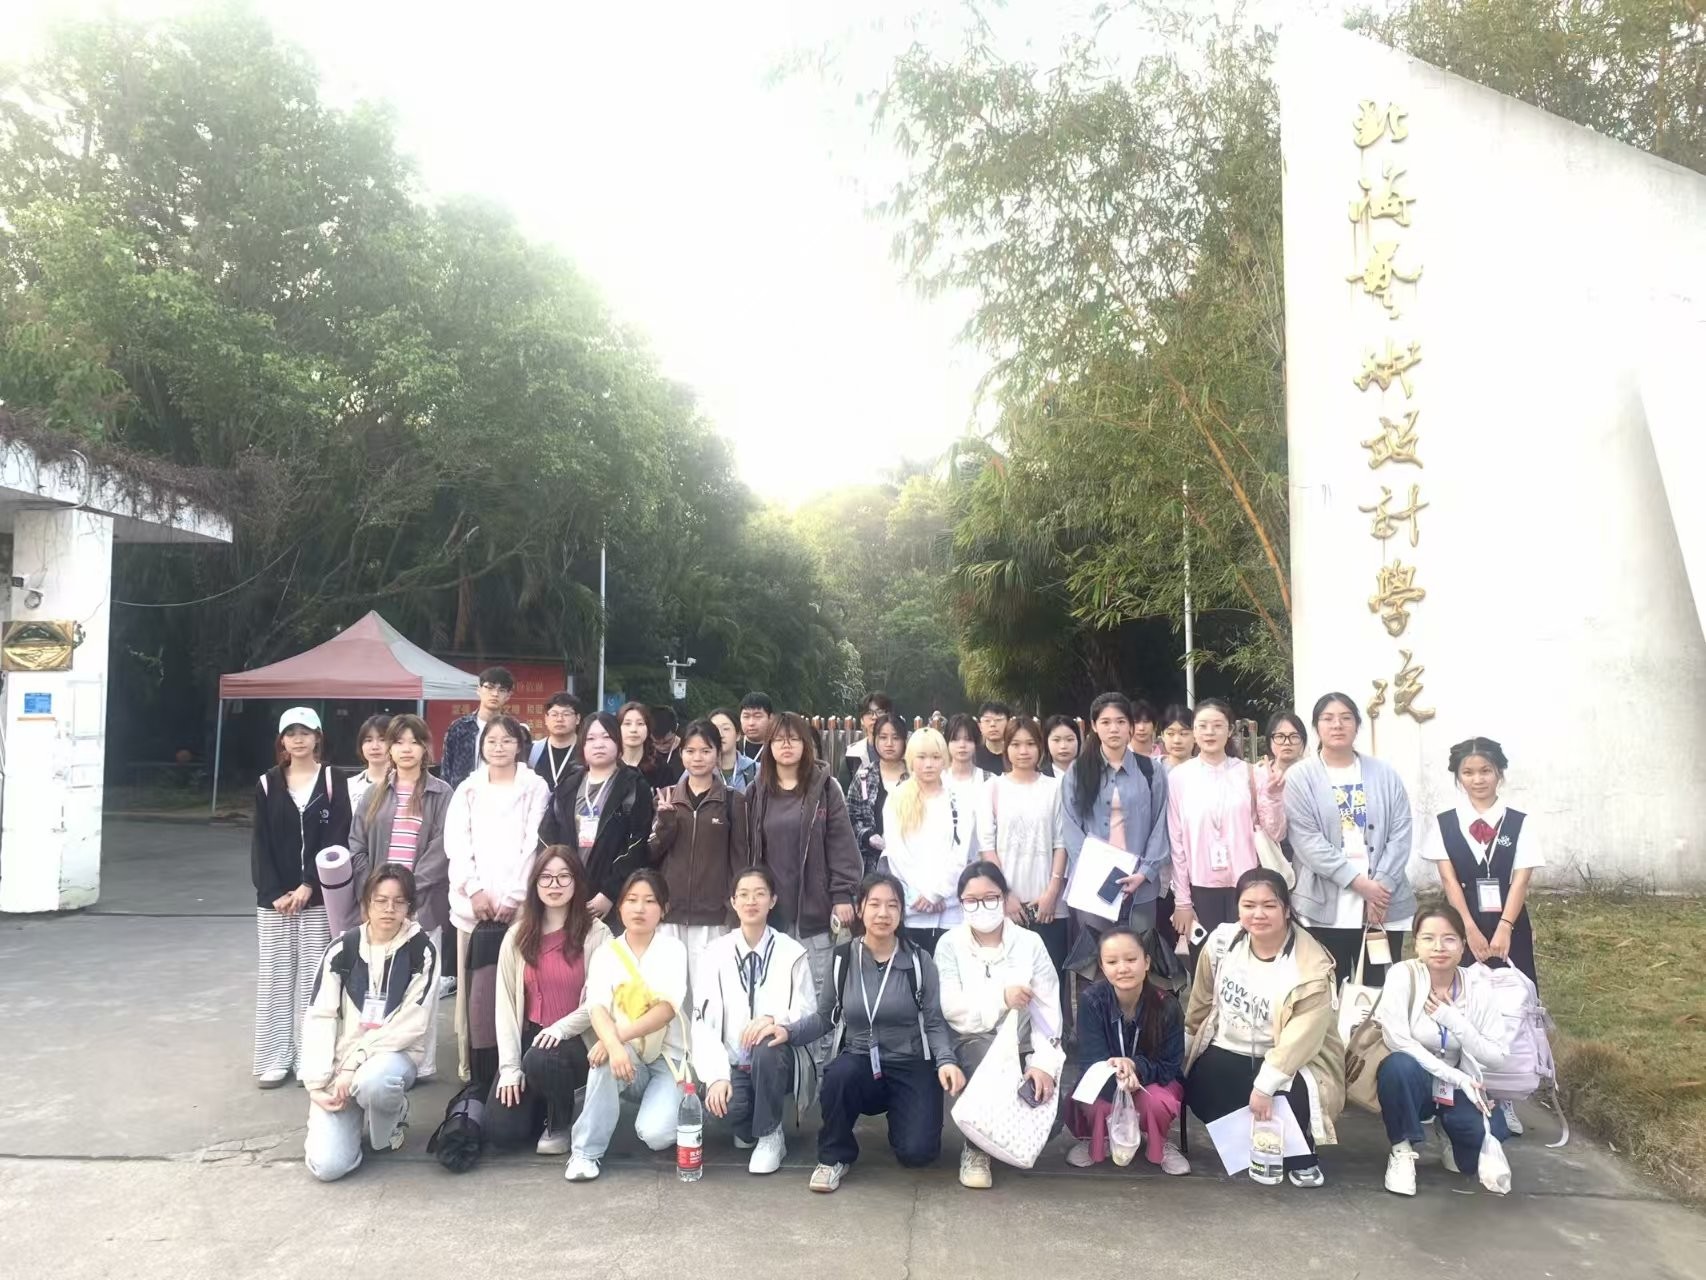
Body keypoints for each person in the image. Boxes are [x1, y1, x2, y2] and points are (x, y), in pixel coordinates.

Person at [786, 872, 964, 1192]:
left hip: (911, 1062)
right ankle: (833, 1157)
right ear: (860, 909)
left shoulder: (919, 961)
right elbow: (825, 1018)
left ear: (901, 912)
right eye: (875, 904)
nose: (883, 913)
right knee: (838, 1076)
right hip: (860, 1059)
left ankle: (903, 1118)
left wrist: (946, 1060)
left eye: (892, 905)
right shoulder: (843, 959)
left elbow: (934, 1021)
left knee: (918, 1154)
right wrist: (787, 1032)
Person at [1185, 868, 1344, 1187]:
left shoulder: (1311, 965)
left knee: (1293, 1091)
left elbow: (1299, 1041)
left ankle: (1300, 1149)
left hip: (1291, 1059)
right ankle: (1256, 1142)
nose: (1258, 914)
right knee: (1202, 1083)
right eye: (1249, 905)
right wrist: (1185, 1051)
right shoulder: (1222, 942)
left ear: (1286, 910)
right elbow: (1201, 1000)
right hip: (1230, 1048)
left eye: (1269, 905)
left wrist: (1265, 1086)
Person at [1422, 736, 1539, 1136]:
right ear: (1458, 777)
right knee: (1458, 1002)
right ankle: (1457, 1090)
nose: (1477, 779)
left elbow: (1521, 880)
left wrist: (1505, 926)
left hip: (1510, 924)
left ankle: (1504, 1096)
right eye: (1468, 772)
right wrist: (1468, 928)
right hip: (1460, 925)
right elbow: (1448, 880)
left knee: (1509, 1007)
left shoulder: (1519, 822)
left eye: (1485, 771)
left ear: (1499, 773)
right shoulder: (1445, 823)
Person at [300, 863, 439, 1181]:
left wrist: (357, 1062)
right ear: (366, 903)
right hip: (342, 1069)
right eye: (381, 900)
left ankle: (391, 1113)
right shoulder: (342, 949)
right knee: (328, 1167)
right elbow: (320, 1016)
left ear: (409, 907)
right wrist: (316, 1084)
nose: (389, 909)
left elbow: (412, 1024)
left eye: (399, 901)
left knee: (375, 1081)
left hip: (391, 1058)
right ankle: (350, 1118)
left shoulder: (421, 951)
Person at [935, 862, 1062, 1188]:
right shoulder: (949, 944)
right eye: (971, 900)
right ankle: (976, 1149)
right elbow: (952, 1008)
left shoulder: (1030, 943)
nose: (981, 906)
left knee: (1051, 1103)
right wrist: (1001, 998)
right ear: (960, 903)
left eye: (990, 898)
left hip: (1021, 1043)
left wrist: (1042, 1064)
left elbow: (1048, 1010)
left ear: (1005, 898)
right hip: (971, 1039)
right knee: (985, 1064)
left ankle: (1003, 1137)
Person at [744, 711, 862, 1059]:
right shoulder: (757, 791)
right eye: (779, 739)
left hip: (815, 912)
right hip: (772, 916)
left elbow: (842, 844)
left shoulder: (825, 788)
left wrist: (842, 894)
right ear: (768, 745)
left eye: (794, 739)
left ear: (806, 745)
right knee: (775, 996)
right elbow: (747, 852)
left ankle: (822, 1071)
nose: (787, 745)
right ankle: (782, 1071)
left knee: (820, 996)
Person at [1377, 903, 1513, 1196]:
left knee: (1487, 1140)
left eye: (1449, 939)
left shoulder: (1477, 986)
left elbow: (1497, 1057)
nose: (1439, 947)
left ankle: (1447, 1129)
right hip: (1416, 1083)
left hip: (1456, 1087)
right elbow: (1398, 1040)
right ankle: (1401, 1148)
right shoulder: (1403, 976)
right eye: (1428, 938)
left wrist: (1454, 1020)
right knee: (1398, 1065)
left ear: (1463, 945)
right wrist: (1458, 1078)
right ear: (1416, 944)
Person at [445, 714, 551, 1090]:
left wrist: (516, 895)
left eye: (507, 740)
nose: (499, 747)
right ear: (482, 746)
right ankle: (473, 1067)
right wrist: (474, 890)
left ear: (519, 745)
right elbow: (457, 843)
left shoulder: (534, 787)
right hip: (472, 908)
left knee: (517, 989)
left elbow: (534, 843)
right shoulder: (468, 788)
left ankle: (516, 1064)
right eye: (492, 741)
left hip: (518, 909)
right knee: (475, 992)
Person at [690, 865, 819, 1174]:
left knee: (767, 1045)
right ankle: (749, 1123)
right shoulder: (714, 953)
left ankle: (771, 1135)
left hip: (778, 1061)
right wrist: (716, 1076)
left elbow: (808, 1010)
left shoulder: (792, 952)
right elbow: (701, 1021)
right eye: (744, 894)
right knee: (729, 1111)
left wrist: (776, 1020)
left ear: (772, 900)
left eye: (760, 894)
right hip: (733, 1062)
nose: (751, 901)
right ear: (733, 902)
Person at [1283, 692, 1414, 991]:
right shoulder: (1300, 777)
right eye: (1328, 718)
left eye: (1346, 718)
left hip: (1382, 904)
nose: (1337, 725)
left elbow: (1401, 832)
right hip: (1325, 906)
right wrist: (1361, 885)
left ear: (1357, 725)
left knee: (1379, 991)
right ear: (1317, 727)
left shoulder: (1384, 774)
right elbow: (1307, 841)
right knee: (1327, 990)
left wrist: (1380, 888)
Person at [485, 846, 611, 1156]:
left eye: (564, 877)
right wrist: (510, 1068)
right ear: (535, 884)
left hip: (577, 1043)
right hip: (532, 1038)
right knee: (502, 1132)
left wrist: (560, 1029)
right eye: (546, 877)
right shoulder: (517, 935)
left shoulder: (597, 934)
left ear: (577, 882)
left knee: (542, 1058)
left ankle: (562, 1120)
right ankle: (545, 1102)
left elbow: (601, 1000)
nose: (554, 885)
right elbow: (505, 1006)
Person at [564, 870, 689, 1182]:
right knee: (605, 1059)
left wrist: (614, 1037)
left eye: (650, 901)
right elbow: (596, 1007)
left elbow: (666, 1009)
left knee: (655, 1134)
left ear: (663, 909)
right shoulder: (607, 953)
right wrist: (614, 1046)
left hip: (667, 1060)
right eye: (632, 900)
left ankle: (682, 1098)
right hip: (628, 1057)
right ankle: (585, 1153)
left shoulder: (673, 949)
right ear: (619, 907)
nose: (639, 908)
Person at [251, 707, 351, 1087]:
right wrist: (274, 892)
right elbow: (260, 843)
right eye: (291, 733)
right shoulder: (267, 783)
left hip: (318, 899)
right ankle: (274, 1057)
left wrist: (310, 884)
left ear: (317, 737)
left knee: (315, 980)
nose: (298, 739)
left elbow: (337, 837)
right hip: (275, 902)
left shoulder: (333, 780)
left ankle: (312, 1057)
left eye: (305, 732)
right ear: (282, 740)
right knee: (275, 977)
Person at [350, 713, 454, 1035]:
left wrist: (407, 890)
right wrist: (376, 892)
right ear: (390, 750)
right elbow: (356, 845)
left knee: (422, 989)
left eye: (414, 742)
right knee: (379, 983)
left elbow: (443, 846)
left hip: (423, 903)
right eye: (398, 742)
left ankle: (421, 1058)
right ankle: (376, 1049)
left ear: (425, 748)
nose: (406, 749)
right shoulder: (374, 793)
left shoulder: (442, 793)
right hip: (381, 904)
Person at [1061, 692, 1171, 974]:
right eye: (1106, 722)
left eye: (1121, 722)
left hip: (1140, 881)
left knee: (1139, 959)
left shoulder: (1151, 771)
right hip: (1094, 884)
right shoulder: (1078, 771)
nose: (1114, 729)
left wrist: (1146, 871)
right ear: (1094, 726)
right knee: (1096, 963)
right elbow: (1071, 827)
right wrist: (1095, 871)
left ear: (1130, 726)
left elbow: (1160, 824)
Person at [1065, 927, 1189, 1174]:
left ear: (1146, 962)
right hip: (1107, 1079)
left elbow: (1170, 1064)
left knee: (1157, 1102)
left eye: (1131, 959)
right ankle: (1099, 1139)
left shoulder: (1167, 1005)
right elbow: (1090, 1059)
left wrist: (1137, 1069)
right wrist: (1118, 1074)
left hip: (1152, 1082)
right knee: (1093, 1101)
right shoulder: (1092, 1001)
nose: (1122, 968)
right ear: (1102, 967)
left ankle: (1158, 1142)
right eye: (1112, 962)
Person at [652, 718, 749, 982]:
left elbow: (740, 860)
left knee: (710, 990)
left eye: (706, 751)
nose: (698, 758)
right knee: (669, 991)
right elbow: (651, 854)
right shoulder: (666, 797)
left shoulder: (733, 800)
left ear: (717, 753)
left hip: (714, 916)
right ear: (681, 753)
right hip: (670, 913)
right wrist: (666, 822)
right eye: (690, 751)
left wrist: (733, 907)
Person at [539, 711, 656, 921]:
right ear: (582, 745)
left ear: (618, 742)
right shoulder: (567, 786)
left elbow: (637, 844)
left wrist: (610, 892)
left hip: (612, 899)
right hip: (566, 893)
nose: (599, 744)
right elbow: (547, 837)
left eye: (606, 737)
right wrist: (558, 883)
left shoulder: (633, 786)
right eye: (591, 739)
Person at [1169, 699, 1262, 956]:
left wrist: (1273, 795)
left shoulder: (1249, 773)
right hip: (1199, 886)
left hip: (1246, 884)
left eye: (1217, 725)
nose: (1210, 732)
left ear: (1230, 730)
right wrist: (1182, 900)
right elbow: (1176, 841)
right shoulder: (1179, 777)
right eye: (1202, 726)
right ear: (1194, 731)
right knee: (1205, 962)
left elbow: (1268, 829)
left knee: (1245, 958)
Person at [977, 715, 1068, 974]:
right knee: (1009, 979)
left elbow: (1061, 843)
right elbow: (987, 848)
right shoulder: (992, 788)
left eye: (1030, 744)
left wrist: (1052, 892)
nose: (1023, 751)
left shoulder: (1055, 788)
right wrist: (1004, 894)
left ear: (1040, 747)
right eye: (1015, 744)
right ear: (1006, 748)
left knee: (1051, 978)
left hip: (1048, 905)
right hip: (1007, 904)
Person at [883, 727, 973, 953]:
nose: (929, 764)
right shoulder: (896, 798)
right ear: (911, 760)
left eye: (935, 757)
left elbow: (960, 853)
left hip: (950, 909)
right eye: (921, 757)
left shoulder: (959, 799)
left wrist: (936, 892)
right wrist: (920, 894)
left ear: (945, 760)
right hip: (913, 908)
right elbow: (897, 853)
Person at [847, 711, 909, 873]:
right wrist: (867, 836)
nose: (889, 743)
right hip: (870, 867)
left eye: (896, 738)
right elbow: (850, 817)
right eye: (883, 737)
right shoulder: (864, 777)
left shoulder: (914, 778)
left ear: (904, 741)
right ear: (875, 740)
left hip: (908, 865)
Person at [442, 667, 515, 791]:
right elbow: (446, 768)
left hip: (502, 795)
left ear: (508, 695)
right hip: (463, 795)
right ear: (479, 690)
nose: (495, 694)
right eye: (489, 687)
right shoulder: (460, 727)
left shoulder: (513, 729)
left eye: (501, 690)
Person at [1255, 712, 1307, 856]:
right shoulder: (1257, 774)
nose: (1287, 742)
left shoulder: (1312, 774)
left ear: (1303, 741)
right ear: (1269, 740)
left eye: (1294, 736)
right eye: (1280, 736)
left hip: (1306, 849)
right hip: (1269, 852)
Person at [943, 713, 992, 847]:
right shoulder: (938, 780)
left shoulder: (990, 781)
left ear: (976, 743)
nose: (962, 745)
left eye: (968, 739)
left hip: (981, 855)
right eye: (955, 739)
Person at [530, 692, 583, 791]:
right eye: (554, 714)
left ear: (577, 719)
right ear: (546, 719)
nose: (559, 719)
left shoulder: (587, 750)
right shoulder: (532, 751)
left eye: (566, 714)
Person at [842, 691, 896, 788]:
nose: (874, 717)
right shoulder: (852, 754)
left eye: (880, 712)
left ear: (889, 716)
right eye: (869, 713)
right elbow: (843, 793)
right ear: (861, 720)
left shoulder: (902, 752)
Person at [346, 714, 392, 814]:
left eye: (382, 740)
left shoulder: (407, 784)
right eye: (368, 740)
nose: (375, 746)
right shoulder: (348, 786)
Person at [709, 707, 759, 793]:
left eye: (726, 729)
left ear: (738, 735)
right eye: (714, 729)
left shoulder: (757, 770)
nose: (720, 735)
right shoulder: (697, 769)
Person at [616, 700, 658, 780]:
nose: (633, 730)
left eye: (640, 724)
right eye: (627, 724)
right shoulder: (609, 765)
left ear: (648, 728)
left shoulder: (661, 768)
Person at [647, 705, 685, 789]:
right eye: (656, 743)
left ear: (676, 728)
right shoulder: (646, 753)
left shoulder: (687, 752)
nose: (661, 747)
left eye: (667, 742)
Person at [974, 700, 1011, 775]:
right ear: (980, 726)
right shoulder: (972, 757)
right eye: (987, 720)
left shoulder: (1017, 755)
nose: (993, 724)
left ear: (1009, 723)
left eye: (998, 720)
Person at [737, 691, 775, 760]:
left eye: (757, 716)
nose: (751, 723)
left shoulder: (777, 749)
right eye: (746, 716)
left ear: (771, 718)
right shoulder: (733, 748)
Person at [1159, 703, 1195, 772]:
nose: (1177, 741)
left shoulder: (1207, 770)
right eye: (1170, 734)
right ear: (1162, 735)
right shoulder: (1149, 768)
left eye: (1184, 734)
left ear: (1195, 735)